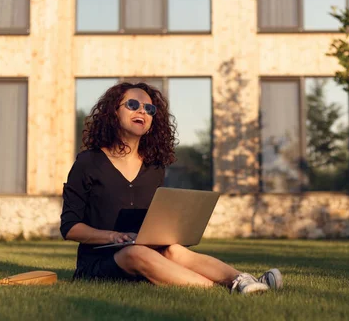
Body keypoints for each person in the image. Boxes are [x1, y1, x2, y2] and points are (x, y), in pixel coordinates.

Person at [60, 82, 282, 294]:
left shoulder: (154, 167)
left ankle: (244, 280)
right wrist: (113, 236)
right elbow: (69, 227)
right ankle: (222, 290)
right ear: (113, 112)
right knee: (135, 253)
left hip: (146, 252)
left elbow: (154, 221)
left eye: (149, 108)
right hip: (100, 262)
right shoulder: (88, 162)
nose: (142, 112)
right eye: (132, 105)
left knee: (174, 250)